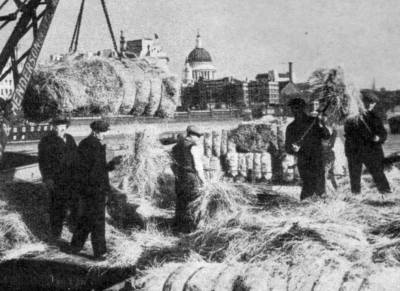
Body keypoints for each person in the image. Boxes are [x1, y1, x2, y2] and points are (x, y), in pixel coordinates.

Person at [70, 120, 122, 260]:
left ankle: (75, 246)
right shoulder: (92, 146)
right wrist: (104, 188)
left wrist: (112, 164)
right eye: (103, 133)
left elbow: (97, 168)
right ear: (95, 132)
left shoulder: (88, 144)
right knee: (98, 221)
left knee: (86, 219)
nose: (104, 136)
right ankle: (100, 252)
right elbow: (95, 171)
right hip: (94, 189)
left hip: (88, 188)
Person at [38, 117, 78, 241]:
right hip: (56, 179)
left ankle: (74, 230)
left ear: (66, 127)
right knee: (57, 207)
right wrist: (47, 178)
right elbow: (43, 161)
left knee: (74, 204)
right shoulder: (46, 141)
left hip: (71, 178)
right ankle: (56, 235)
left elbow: (76, 157)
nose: (58, 129)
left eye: (61, 126)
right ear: (52, 127)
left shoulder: (70, 139)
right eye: (56, 126)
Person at [344, 91, 391, 194]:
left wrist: (378, 138)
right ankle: (356, 196)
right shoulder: (352, 117)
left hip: (372, 151)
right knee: (354, 176)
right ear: (362, 102)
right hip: (355, 152)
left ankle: (386, 193)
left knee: (378, 174)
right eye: (368, 102)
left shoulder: (375, 117)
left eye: (373, 103)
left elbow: (383, 133)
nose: (370, 105)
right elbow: (348, 134)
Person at [285, 98, 331, 200]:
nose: (295, 111)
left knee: (320, 187)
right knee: (307, 185)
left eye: (297, 108)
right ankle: (306, 205)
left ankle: (321, 205)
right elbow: (287, 148)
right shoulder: (291, 127)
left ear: (303, 108)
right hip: (303, 160)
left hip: (317, 158)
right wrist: (293, 149)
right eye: (293, 109)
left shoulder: (314, 121)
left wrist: (321, 125)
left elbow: (327, 136)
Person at [171, 125, 206, 233]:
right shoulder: (193, 147)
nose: (199, 139)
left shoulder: (175, 147)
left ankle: (178, 227)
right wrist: (203, 181)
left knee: (181, 201)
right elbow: (198, 166)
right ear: (193, 136)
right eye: (198, 137)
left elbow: (172, 165)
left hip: (179, 178)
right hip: (190, 178)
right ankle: (189, 229)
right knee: (192, 202)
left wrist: (177, 175)